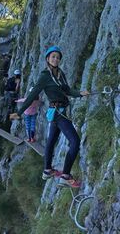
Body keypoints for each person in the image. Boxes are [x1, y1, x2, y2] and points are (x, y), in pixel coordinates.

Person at [10, 46, 90, 188]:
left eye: (58, 57)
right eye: (53, 56)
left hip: (58, 112)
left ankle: (47, 170)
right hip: (58, 114)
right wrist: (20, 112)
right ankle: (65, 175)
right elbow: (34, 94)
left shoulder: (60, 74)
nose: (56, 59)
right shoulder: (45, 76)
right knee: (75, 142)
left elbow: (67, 89)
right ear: (47, 59)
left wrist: (80, 93)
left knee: (51, 142)